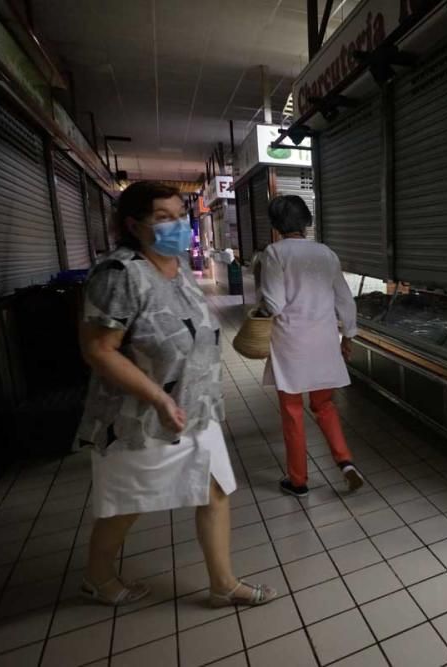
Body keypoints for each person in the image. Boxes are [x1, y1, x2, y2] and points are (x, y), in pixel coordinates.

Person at [76, 181, 276, 607]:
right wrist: (158, 398)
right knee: (127, 503)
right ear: (133, 224)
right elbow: (98, 349)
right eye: (163, 217)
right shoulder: (119, 273)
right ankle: (97, 577)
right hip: (139, 417)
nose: (177, 225)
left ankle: (223, 584)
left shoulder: (177, 264)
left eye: (179, 215)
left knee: (216, 490)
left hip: (195, 408)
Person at [259, 195, 364, 498]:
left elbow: (275, 304)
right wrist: (349, 336)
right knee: (324, 406)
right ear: (307, 222)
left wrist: (261, 308)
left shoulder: (274, 253)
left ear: (276, 225)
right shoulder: (326, 254)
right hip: (323, 340)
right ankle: (345, 462)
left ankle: (298, 480)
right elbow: (344, 299)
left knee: (292, 411)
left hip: (291, 342)